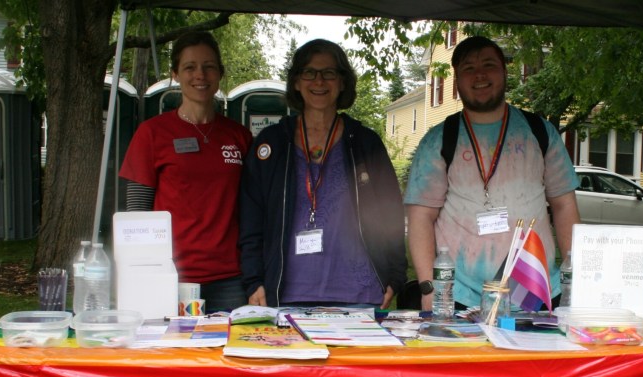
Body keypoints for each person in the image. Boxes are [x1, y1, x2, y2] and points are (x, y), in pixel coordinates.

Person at [404, 36, 581, 311]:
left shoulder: (539, 132)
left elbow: (564, 205)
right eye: (469, 68)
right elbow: (420, 217)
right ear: (457, 80)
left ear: (505, 72)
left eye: (489, 65)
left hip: (536, 293)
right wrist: (429, 289)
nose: (480, 75)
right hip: (459, 298)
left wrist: (577, 277)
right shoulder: (438, 140)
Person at [238, 39, 406, 309]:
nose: (319, 81)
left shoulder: (365, 143)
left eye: (329, 73)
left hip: (359, 294)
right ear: (296, 82)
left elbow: (391, 213)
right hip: (286, 293)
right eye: (309, 72)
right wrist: (254, 279)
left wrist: (396, 275)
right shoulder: (273, 143)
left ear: (342, 82)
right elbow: (251, 218)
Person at [119, 31, 252, 312]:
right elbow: (137, 215)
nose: (200, 75)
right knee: (171, 342)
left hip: (230, 278)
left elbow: (252, 208)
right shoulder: (152, 133)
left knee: (231, 342)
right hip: (171, 277)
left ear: (220, 73)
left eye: (208, 66)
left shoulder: (239, 136)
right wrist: (141, 275)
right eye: (190, 67)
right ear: (175, 75)